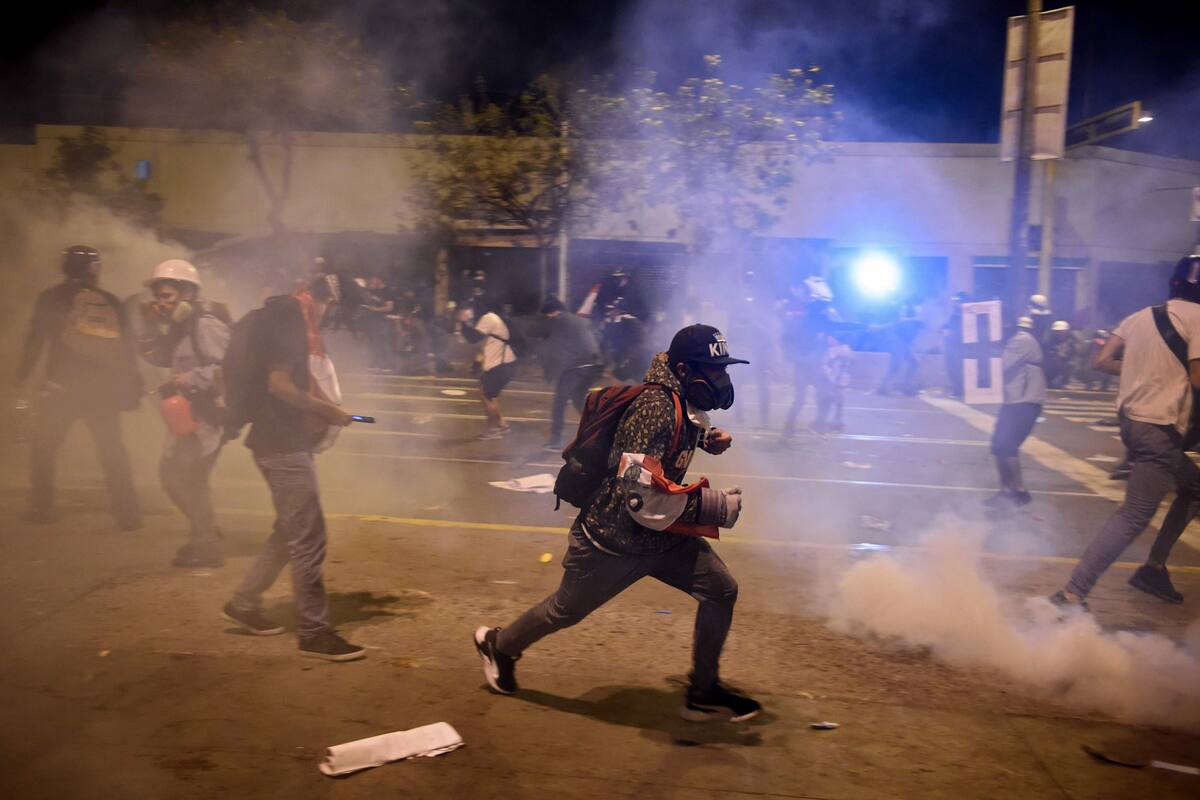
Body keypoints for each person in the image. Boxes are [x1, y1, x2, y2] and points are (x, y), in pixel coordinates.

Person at [474, 324, 760, 722]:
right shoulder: (655, 407)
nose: (721, 381)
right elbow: (639, 496)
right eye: (713, 372)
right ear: (682, 369)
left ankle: (704, 690)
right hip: (614, 542)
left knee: (720, 590)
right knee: (565, 611)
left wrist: (704, 438)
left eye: (723, 371)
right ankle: (499, 645)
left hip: (662, 538)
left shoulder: (678, 400)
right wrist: (713, 507)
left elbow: (665, 449)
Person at [221, 274, 365, 661]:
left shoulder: (281, 313)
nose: (328, 316)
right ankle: (314, 632)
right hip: (280, 442)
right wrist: (330, 412)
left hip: (276, 440)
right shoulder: (290, 317)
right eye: (331, 308)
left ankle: (245, 601)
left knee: (289, 528)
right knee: (309, 536)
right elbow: (280, 385)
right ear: (324, 300)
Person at [1051, 255, 1200, 609]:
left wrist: (1142, 373)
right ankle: (1073, 593)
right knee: (1134, 516)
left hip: (1133, 424)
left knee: (1195, 487)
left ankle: (1154, 567)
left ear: (1174, 284)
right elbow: (1197, 377)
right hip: (1159, 429)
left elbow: (1099, 362)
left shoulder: (1139, 316)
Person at [15, 246, 143, 529]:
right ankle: (128, 515)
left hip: (61, 388)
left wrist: (22, 376)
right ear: (93, 269)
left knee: (45, 447)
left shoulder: (51, 299)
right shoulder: (111, 301)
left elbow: (35, 339)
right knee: (112, 451)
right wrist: (130, 386)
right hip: (102, 393)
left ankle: (41, 508)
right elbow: (127, 350)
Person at [138, 259, 231, 567]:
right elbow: (161, 359)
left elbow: (224, 370)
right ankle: (205, 534)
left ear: (188, 293)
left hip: (206, 417)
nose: (161, 304)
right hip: (184, 417)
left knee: (189, 479)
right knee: (174, 477)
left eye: (166, 296)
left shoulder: (206, 324)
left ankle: (206, 545)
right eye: (159, 297)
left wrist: (185, 379)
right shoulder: (179, 328)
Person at [986, 316, 1046, 507]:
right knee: (1001, 445)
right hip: (1019, 401)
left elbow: (1000, 365)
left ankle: (1016, 491)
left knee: (1006, 445)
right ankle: (1009, 490)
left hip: (1022, 401)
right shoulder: (1027, 340)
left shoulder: (1021, 340)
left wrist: (988, 349)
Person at [537, 297, 604, 451]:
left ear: (552, 313)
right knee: (578, 398)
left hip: (575, 367)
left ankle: (556, 440)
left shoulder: (557, 320)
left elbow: (534, 331)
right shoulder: (581, 320)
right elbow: (599, 337)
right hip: (594, 365)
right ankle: (598, 430)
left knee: (560, 402)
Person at [461, 301, 518, 439]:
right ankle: (502, 424)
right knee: (486, 393)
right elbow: (482, 346)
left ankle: (492, 430)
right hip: (503, 364)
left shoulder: (489, 318)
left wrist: (464, 322)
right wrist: (476, 363)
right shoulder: (493, 319)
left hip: (502, 364)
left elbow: (472, 338)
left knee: (487, 395)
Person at [877, 303, 923, 396]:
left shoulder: (915, 321)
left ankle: (907, 387)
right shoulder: (903, 318)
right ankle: (884, 387)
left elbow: (919, 326)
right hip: (898, 342)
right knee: (896, 365)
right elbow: (897, 323)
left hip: (906, 343)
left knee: (914, 362)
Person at [941, 292, 968, 398]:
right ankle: (957, 389)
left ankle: (959, 391)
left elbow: (962, 331)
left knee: (957, 368)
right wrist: (944, 328)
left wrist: (952, 333)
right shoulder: (955, 313)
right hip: (951, 345)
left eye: (958, 301)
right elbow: (950, 325)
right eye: (955, 301)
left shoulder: (967, 314)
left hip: (959, 347)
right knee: (951, 368)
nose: (955, 303)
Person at [1043, 320, 1077, 389]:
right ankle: (1049, 381)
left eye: (1061, 332)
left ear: (1066, 332)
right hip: (1051, 364)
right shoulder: (1049, 341)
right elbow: (1046, 352)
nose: (1058, 334)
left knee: (1071, 365)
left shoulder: (1070, 342)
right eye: (1056, 332)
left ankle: (1063, 381)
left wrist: (1064, 354)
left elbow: (1071, 354)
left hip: (1063, 364)